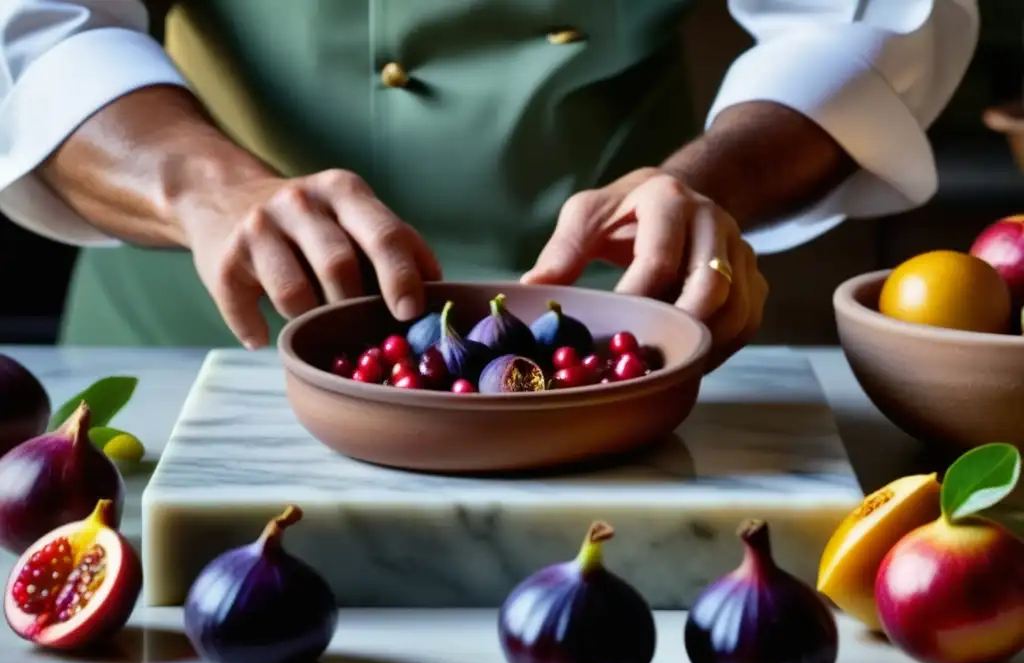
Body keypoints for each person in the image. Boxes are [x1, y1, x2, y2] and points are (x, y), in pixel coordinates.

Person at [0, 1, 978, 371]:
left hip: (612, 332)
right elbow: (41, 26)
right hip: (200, 335)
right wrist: (204, 192)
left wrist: (704, 183)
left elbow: (863, 16)